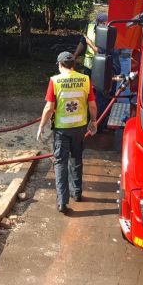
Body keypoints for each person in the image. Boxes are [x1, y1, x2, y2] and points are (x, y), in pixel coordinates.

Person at [36, 52, 98, 213]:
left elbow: (49, 107)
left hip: (62, 130)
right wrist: (93, 121)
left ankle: (62, 201)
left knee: (60, 162)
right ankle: (77, 193)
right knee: (77, 159)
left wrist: (41, 126)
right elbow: (92, 104)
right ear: (74, 65)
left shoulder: (55, 81)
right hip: (79, 128)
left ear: (59, 64)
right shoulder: (85, 79)